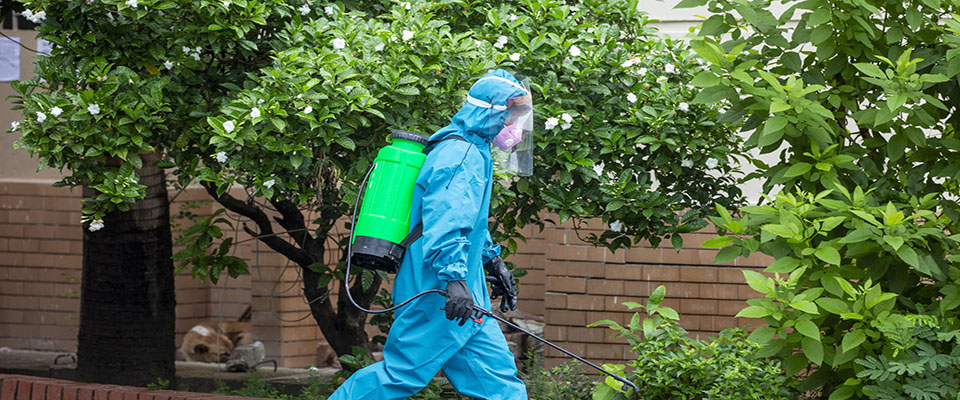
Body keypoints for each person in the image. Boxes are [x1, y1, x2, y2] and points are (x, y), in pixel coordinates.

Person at [328, 69, 531, 399]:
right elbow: (446, 220)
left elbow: (470, 222)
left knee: (499, 382)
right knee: (401, 374)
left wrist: (493, 262)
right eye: (511, 116)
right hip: (439, 288)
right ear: (489, 111)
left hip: (464, 288)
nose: (514, 127)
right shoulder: (459, 154)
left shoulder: (474, 149)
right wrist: (453, 279)